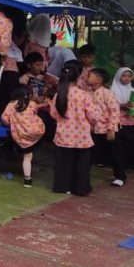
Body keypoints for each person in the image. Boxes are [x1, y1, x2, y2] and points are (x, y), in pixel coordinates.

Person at [49, 63, 99, 196]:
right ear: (77, 78)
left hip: (63, 136)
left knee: (63, 164)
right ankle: (80, 189)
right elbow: (93, 116)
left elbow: (53, 114)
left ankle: (62, 187)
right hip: (81, 137)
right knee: (81, 165)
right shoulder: (84, 95)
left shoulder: (58, 95)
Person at [1, 87, 45, 188]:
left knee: (26, 157)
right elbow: (34, 114)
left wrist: (11, 123)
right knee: (29, 156)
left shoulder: (11, 105)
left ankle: (27, 180)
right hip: (34, 133)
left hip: (20, 135)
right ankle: (27, 180)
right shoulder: (33, 104)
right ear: (30, 95)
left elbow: (4, 118)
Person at [88, 68, 120, 172]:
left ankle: (120, 177)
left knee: (114, 153)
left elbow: (114, 111)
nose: (86, 77)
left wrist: (111, 128)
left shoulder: (107, 93)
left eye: (89, 76)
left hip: (107, 129)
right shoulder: (87, 93)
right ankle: (83, 178)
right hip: (92, 129)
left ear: (98, 80)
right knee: (89, 153)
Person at [111, 67, 134, 187]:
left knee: (128, 148)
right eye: (124, 75)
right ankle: (119, 176)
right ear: (118, 76)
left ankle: (127, 168)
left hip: (131, 123)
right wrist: (121, 106)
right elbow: (109, 106)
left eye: (129, 76)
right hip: (116, 123)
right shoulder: (112, 91)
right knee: (117, 150)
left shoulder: (132, 90)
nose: (127, 78)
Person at [0, 33, 25, 111]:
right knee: (12, 94)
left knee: (2, 93)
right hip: (13, 74)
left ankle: (2, 112)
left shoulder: (2, 44)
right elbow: (20, 63)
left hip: (2, 72)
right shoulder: (17, 50)